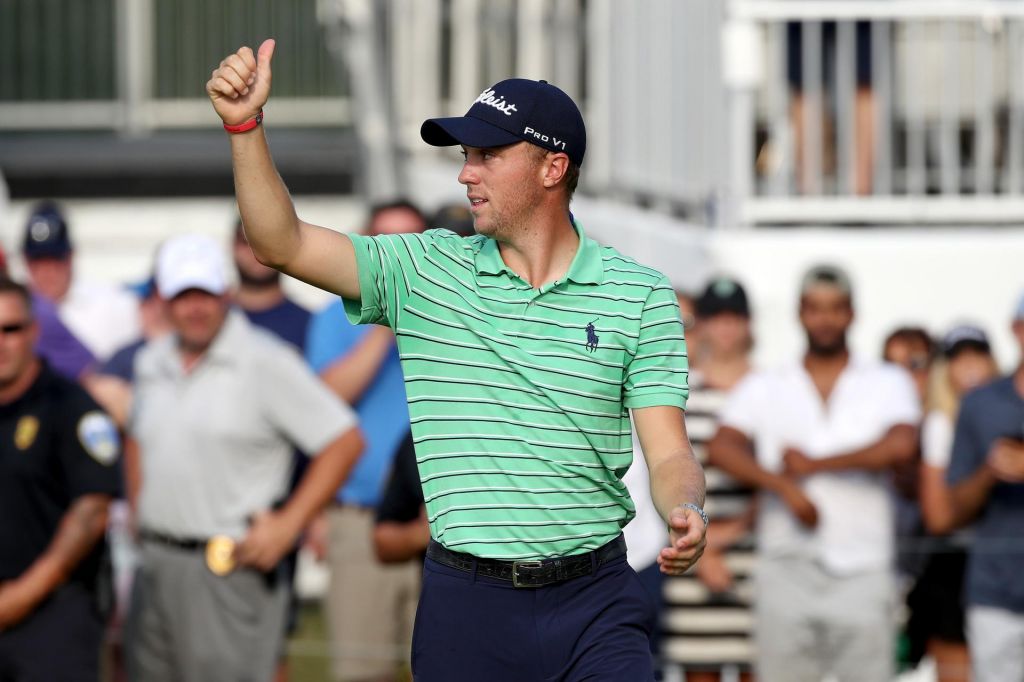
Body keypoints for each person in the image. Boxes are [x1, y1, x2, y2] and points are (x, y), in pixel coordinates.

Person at [207, 39, 706, 681]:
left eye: (488, 155)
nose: (466, 173)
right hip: (468, 607)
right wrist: (243, 128)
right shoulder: (422, 268)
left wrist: (687, 509)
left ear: (553, 169)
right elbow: (282, 244)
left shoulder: (638, 292)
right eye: (465, 155)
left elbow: (668, 454)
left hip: (597, 599)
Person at [123, 234, 364, 682]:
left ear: (225, 294)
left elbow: (344, 441)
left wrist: (290, 524)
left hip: (228, 571)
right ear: (162, 301)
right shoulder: (151, 362)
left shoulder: (265, 361)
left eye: (205, 295)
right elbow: (137, 436)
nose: (195, 309)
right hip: (155, 564)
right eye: (182, 296)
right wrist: (140, 510)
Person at [708, 265, 920, 682]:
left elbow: (901, 445)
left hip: (863, 567)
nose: (825, 319)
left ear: (852, 314)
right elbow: (721, 447)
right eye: (815, 309)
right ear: (800, 314)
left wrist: (813, 467)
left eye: (836, 309)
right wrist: (782, 484)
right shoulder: (768, 384)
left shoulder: (886, 380)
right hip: (786, 567)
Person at [304, 199, 426, 682]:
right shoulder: (334, 317)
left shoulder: (455, 315)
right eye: (384, 242)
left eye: (409, 243)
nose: (396, 254)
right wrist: (383, 324)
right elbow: (325, 400)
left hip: (442, 525)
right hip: (358, 521)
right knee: (361, 671)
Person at [0, 277, 121, 681]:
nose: (1, 342)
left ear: (34, 331)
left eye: (10, 329)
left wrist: (22, 595)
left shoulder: (71, 406)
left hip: (53, 618)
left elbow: (92, 512)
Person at [667, 278, 756, 682]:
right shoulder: (678, 394)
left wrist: (724, 538)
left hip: (756, 558)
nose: (725, 328)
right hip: (690, 557)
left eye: (734, 317)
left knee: (758, 667)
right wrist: (702, 547)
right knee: (697, 671)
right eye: (715, 317)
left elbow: (782, 478)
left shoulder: (769, 389)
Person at [907, 325, 999, 682]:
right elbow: (939, 517)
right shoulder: (939, 424)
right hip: (956, 564)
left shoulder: (1009, 410)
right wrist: (990, 474)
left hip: (1005, 561)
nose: (971, 367)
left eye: (978, 356)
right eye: (959, 359)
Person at [945, 297, 1024, 682]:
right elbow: (954, 508)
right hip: (996, 593)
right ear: (1016, 330)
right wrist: (990, 471)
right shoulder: (980, 404)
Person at [22, 201, 140, 362]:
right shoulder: (14, 312)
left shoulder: (112, 303)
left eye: (56, 260)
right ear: (25, 262)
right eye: (38, 262)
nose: (47, 272)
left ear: (70, 257)